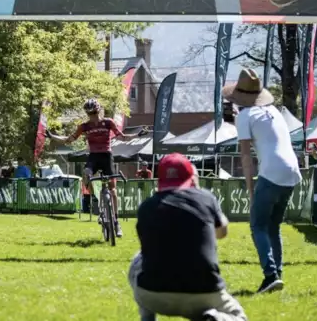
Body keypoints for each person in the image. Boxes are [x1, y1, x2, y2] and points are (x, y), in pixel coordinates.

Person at [129, 153, 247, 321]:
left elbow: (146, 245)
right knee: (239, 317)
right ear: (191, 178)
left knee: (138, 258)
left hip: (153, 295)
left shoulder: (146, 207)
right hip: (204, 293)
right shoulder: (205, 198)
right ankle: (214, 318)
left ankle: (147, 316)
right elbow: (222, 232)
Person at [225, 68, 302, 294]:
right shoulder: (274, 112)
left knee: (257, 224)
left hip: (273, 173)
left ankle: (270, 275)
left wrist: (251, 189)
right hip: (292, 172)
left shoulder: (244, 117)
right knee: (273, 225)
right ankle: (277, 273)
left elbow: (246, 158)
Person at [48, 98, 144, 238]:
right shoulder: (84, 126)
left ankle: (116, 222)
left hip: (107, 155)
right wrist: (52, 136)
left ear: (98, 111)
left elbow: (122, 137)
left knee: (112, 189)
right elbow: (69, 139)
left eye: (93, 113)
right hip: (93, 156)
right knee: (86, 173)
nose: (92, 116)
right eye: (89, 114)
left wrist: (137, 135)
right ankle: (96, 200)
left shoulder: (108, 122)